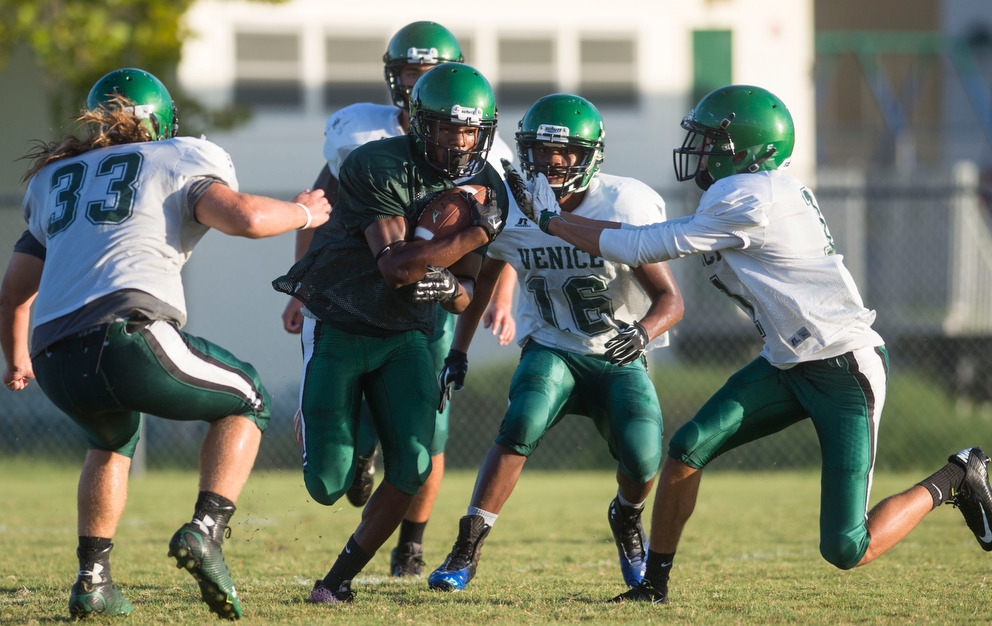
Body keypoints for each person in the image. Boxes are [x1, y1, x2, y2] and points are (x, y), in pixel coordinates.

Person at [529, 84, 992, 604]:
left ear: (743, 149)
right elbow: (644, 234)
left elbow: (642, 243)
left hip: (842, 367)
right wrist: (564, 221)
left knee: (846, 546)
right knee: (686, 449)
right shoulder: (756, 191)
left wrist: (552, 221)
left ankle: (956, 476)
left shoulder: (748, 195)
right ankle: (652, 587)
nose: (699, 152)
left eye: (709, 142)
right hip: (785, 361)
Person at [0, 67, 331, 620]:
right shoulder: (177, 157)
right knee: (248, 397)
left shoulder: (54, 180)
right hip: (128, 335)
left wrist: (17, 360)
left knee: (110, 442)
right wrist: (304, 212)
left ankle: (93, 581)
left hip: (55, 356)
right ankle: (205, 531)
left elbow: (12, 297)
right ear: (163, 121)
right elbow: (244, 217)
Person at [279, 21, 517, 578]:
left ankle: (405, 546)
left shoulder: (490, 175)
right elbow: (343, 225)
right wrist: (299, 279)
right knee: (327, 484)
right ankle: (341, 433)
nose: (459, 141)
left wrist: (468, 291)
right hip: (347, 305)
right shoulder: (366, 148)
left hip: (415, 321)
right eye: (409, 71)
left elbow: (483, 269)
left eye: (469, 131)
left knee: (422, 442)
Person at [425, 93, 684, 594]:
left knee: (644, 456)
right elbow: (487, 276)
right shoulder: (512, 205)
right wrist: (458, 351)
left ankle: (627, 519)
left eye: (564, 153)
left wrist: (643, 332)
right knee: (521, 419)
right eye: (541, 152)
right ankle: (468, 544)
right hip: (551, 346)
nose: (552, 163)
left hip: (617, 353)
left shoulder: (623, 203)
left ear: (591, 155)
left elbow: (670, 299)